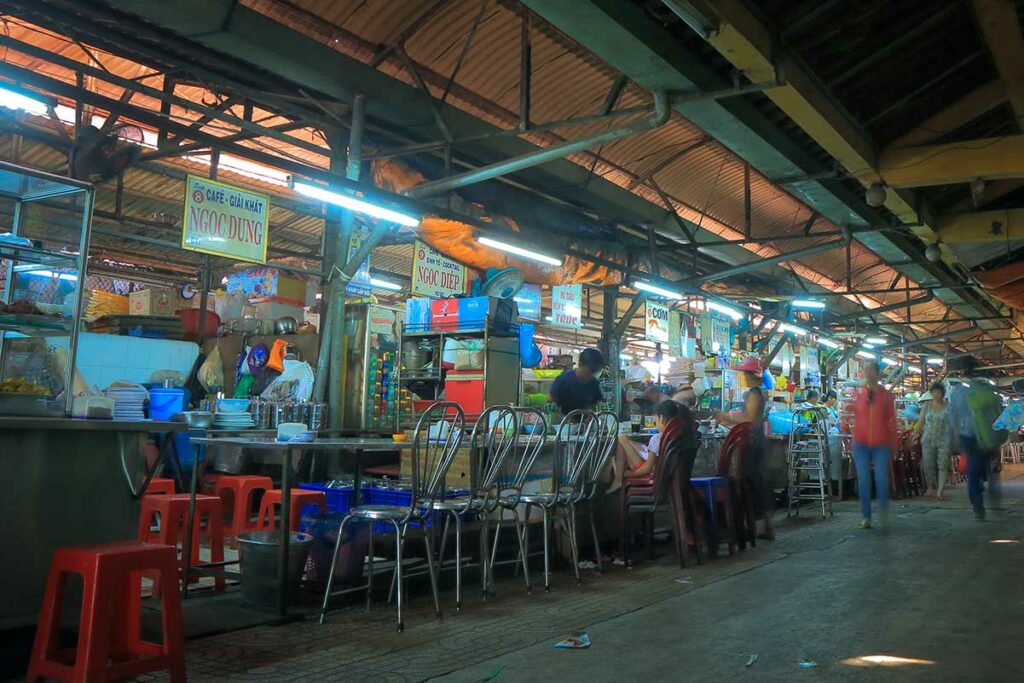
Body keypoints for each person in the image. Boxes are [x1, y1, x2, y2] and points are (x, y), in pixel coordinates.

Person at [948, 358, 1006, 520]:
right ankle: (994, 498)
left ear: (963, 372)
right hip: (989, 435)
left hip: (969, 436)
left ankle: (978, 507)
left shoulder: (958, 391)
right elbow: (999, 412)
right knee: (991, 469)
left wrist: (955, 437)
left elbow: (953, 417)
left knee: (973, 473)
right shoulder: (989, 389)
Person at [717, 387, 774, 540]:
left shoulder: (755, 394)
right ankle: (760, 527)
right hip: (754, 444)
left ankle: (756, 528)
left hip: (753, 445)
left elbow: (749, 419)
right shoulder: (756, 393)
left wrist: (728, 417)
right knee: (754, 485)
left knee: (752, 484)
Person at [850, 360, 897, 530]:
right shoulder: (861, 395)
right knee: (863, 480)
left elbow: (892, 420)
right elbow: (856, 418)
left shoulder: (886, 395)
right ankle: (866, 517)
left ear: (878, 373)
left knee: (881, 479)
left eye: (871, 370)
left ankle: (883, 514)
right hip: (860, 443)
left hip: (881, 443)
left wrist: (894, 443)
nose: (868, 373)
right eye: (865, 370)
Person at [607, 399, 683, 492]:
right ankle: (617, 479)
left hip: (650, 473)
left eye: (656, 419)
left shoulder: (657, 438)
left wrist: (626, 474)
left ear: (662, 418)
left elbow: (647, 469)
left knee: (622, 438)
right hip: (663, 474)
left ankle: (618, 478)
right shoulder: (675, 436)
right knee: (626, 441)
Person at [915, 383, 953, 500]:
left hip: (944, 439)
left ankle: (940, 491)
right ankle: (931, 487)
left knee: (943, 465)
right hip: (928, 439)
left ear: (943, 393)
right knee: (928, 464)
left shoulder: (949, 407)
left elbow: (953, 424)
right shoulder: (926, 406)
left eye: (939, 392)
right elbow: (921, 422)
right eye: (934, 392)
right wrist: (914, 435)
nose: (936, 395)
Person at [548, 347, 604, 415]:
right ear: (580, 364)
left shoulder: (593, 383)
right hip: (562, 423)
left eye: (596, 370)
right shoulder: (563, 380)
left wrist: (590, 420)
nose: (593, 373)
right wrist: (552, 407)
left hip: (584, 423)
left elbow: (595, 405)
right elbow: (551, 401)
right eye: (591, 369)